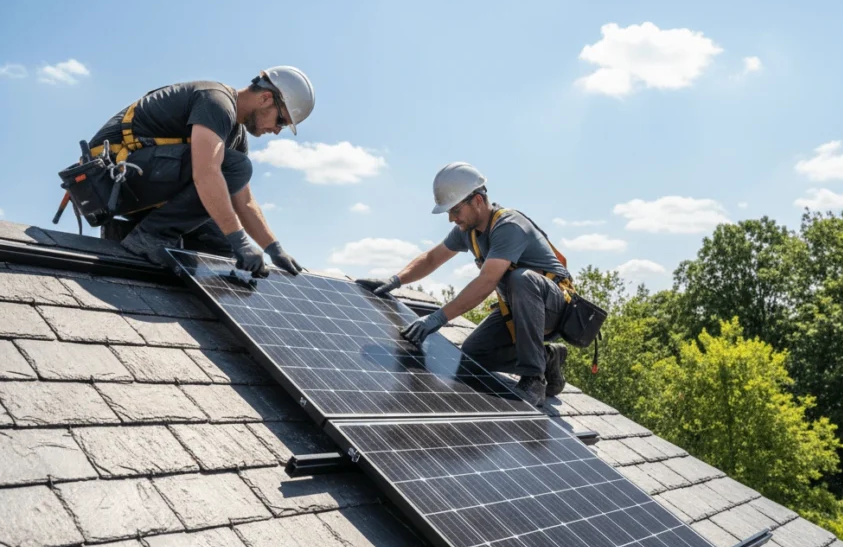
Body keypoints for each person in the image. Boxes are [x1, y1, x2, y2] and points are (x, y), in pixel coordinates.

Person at [357, 162, 571, 406]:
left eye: (455, 210)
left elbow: (487, 281)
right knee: (472, 357)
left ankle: (533, 379)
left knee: (521, 279)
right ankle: (547, 357)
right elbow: (432, 258)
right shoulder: (467, 231)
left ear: (478, 200)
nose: (451, 218)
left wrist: (437, 318)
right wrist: (395, 280)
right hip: (519, 307)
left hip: (554, 306)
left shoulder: (509, 226)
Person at [84, 66, 312, 277]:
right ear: (265, 98)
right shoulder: (216, 101)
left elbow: (244, 200)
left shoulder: (236, 135)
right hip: (109, 179)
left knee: (220, 242)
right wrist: (241, 240)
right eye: (281, 120)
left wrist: (273, 249)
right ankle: (150, 237)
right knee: (235, 168)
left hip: (145, 183)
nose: (276, 131)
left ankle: (187, 292)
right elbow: (207, 173)